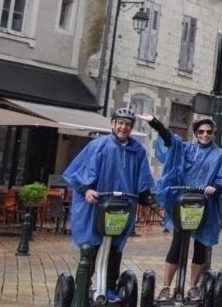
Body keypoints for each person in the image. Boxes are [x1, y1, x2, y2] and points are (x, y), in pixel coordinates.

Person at [63, 107, 155, 304]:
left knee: (115, 249)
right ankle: (83, 288)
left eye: (127, 124)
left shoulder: (137, 151)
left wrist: (146, 202)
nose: (123, 127)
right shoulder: (98, 146)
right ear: (113, 124)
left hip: (122, 206)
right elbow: (79, 174)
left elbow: (143, 178)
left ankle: (111, 289)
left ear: (131, 127)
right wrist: (86, 190)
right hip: (97, 206)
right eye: (120, 123)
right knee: (91, 248)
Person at [140, 113, 222, 301]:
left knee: (200, 247)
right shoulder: (186, 148)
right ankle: (166, 287)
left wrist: (216, 187)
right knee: (177, 244)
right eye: (201, 131)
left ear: (214, 133)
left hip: (206, 205)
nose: (205, 135)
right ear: (196, 133)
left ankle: (193, 287)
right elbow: (170, 140)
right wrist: (155, 123)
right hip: (183, 203)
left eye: (209, 132)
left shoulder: (219, 154)